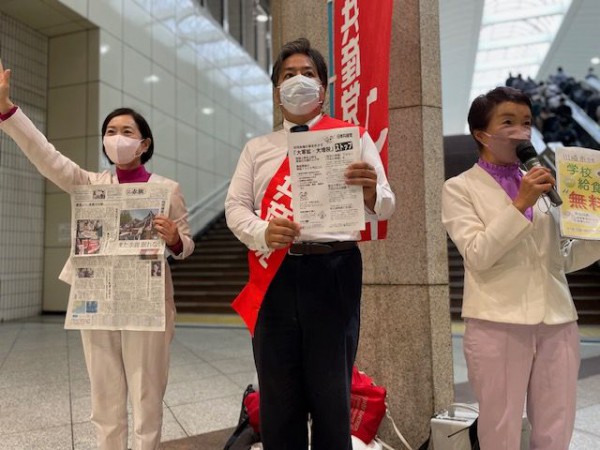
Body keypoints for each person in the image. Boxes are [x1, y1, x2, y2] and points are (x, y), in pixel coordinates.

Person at [0, 60, 194, 450]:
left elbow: (186, 245)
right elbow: (47, 156)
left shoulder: (166, 189)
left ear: (144, 144)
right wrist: (7, 110)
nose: (117, 138)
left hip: (148, 303)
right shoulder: (89, 184)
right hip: (98, 301)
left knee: (147, 396)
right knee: (104, 398)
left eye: (127, 131)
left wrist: (174, 238)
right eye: (110, 131)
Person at [224, 38, 395, 450]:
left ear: (323, 87)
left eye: (308, 74)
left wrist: (371, 192)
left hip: (334, 271)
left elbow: (386, 204)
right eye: (288, 75)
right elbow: (235, 208)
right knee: (279, 390)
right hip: (276, 272)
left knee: (331, 391)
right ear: (276, 89)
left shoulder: (351, 138)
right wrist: (262, 232)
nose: (298, 81)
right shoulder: (258, 149)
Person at [442, 86, 600, 450]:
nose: (522, 131)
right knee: (500, 428)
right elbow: (478, 253)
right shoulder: (459, 188)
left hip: (557, 320)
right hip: (498, 324)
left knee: (556, 425)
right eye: (508, 122)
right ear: (481, 133)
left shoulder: (543, 183)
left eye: (527, 122)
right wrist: (520, 203)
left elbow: (563, 259)